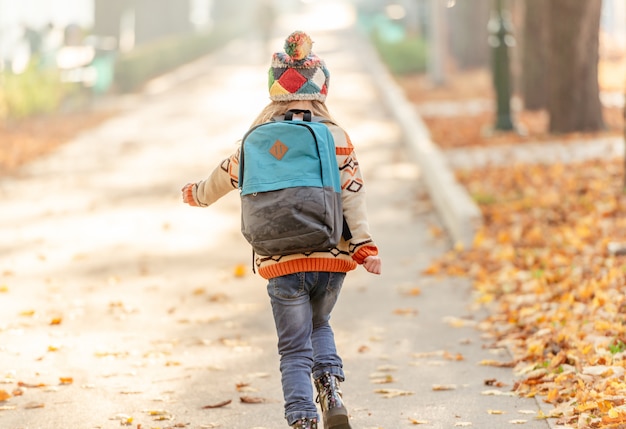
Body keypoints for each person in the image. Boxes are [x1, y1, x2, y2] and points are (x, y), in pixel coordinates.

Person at [181, 30, 382, 429]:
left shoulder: (255, 142)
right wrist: (364, 245)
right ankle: (331, 390)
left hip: (279, 259)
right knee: (320, 324)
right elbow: (352, 194)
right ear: (322, 90)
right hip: (330, 256)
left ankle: (303, 420)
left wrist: (197, 195)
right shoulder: (336, 137)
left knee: (293, 347)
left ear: (274, 93)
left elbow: (223, 177)